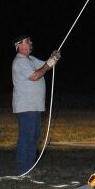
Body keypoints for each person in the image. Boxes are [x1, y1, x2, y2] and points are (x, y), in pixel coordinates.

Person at [12, 34, 61, 175]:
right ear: (20, 44)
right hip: (26, 106)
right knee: (27, 137)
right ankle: (23, 169)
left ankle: (29, 168)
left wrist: (53, 58)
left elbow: (46, 66)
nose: (31, 42)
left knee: (34, 137)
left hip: (34, 106)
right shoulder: (19, 61)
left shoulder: (30, 59)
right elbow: (35, 76)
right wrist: (48, 64)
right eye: (28, 41)